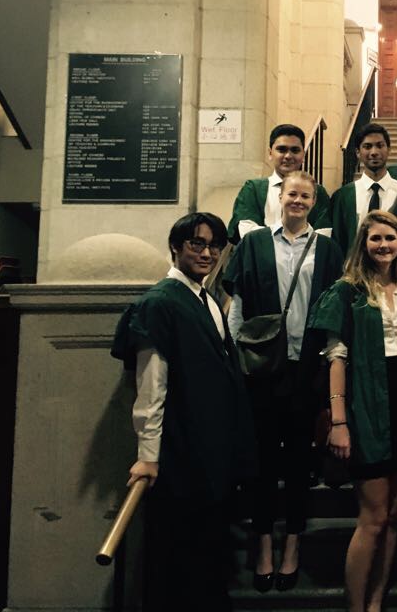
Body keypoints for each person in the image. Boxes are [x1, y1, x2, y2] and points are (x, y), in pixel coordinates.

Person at [111, 213, 255, 612]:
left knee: (208, 553)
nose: (207, 253)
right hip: (181, 453)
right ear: (175, 247)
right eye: (197, 244)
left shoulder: (205, 297)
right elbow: (151, 386)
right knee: (177, 558)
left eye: (214, 245)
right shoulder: (160, 303)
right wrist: (148, 456)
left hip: (211, 452)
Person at [223, 171, 344, 594]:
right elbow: (236, 309)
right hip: (260, 370)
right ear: (279, 198)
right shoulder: (255, 243)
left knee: (297, 463)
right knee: (261, 465)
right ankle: (263, 546)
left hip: (305, 370)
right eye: (291, 193)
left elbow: (335, 315)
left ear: (313, 202)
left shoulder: (328, 249)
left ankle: (292, 542)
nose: (297, 201)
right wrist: (235, 362)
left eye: (305, 196)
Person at [312, 211, 397, 612]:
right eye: (375, 239)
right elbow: (336, 357)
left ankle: (376, 602)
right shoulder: (347, 291)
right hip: (366, 403)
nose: (383, 245)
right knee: (373, 517)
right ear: (363, 245)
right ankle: (355, 606)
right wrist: (339, 422)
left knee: (395, 514)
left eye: (390, 238)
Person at [229, 123, 332, 242]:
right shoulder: (253, 189)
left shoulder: (318, 192)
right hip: (260, 259)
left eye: (295, 150)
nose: (288, 156)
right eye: (281, 149)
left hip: (305, 259)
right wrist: (289, 243)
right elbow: (247, 232)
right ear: (270, 153)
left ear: (303, 155)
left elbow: (322, 237)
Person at [330, 122, 397, 255]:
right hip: (354, 271)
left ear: (389, 149)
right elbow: (338, 241)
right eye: (367, 146)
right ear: (358, 152)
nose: (374, 152)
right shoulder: (343, 196)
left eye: (380, 146)